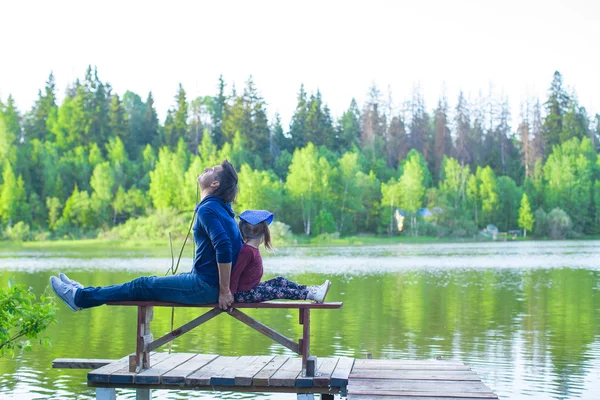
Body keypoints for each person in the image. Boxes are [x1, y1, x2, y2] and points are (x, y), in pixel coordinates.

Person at [50, 160, 243, 311]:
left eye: (212, 170)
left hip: (206, 287)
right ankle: (84, 293)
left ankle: (79, 298)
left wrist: (225, 291)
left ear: (215, 183)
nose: (206, 168)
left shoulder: (208, 209)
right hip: (206, 282)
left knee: (141, 285)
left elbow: (224, 246)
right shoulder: (221, 209)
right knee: (146, 284)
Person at [230, 210, 331, 303]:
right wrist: (231, 295)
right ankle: (311, 295)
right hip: (243, 294)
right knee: (277, 291)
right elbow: (236, 273)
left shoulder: (252, 248)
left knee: (279, 280)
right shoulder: (247, 251)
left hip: (252, 289)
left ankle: (309, 290)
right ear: (264, 232)